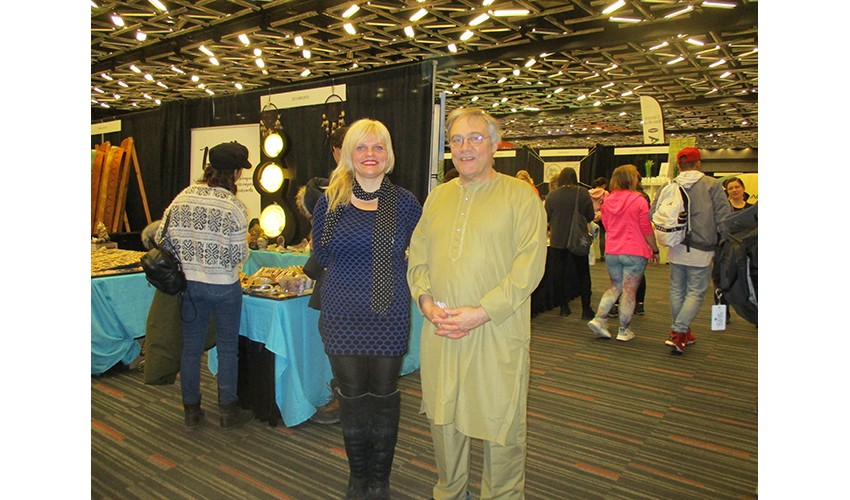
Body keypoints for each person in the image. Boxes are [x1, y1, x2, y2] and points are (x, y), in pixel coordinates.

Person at [407, 107, 547, 499]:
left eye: (475, 138)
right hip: (442, 329)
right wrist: (425, 299)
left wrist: (481, 313)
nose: (465, 147)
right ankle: (450, 492)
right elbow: (418, 255)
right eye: (457, 140)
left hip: (497, 330)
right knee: (443, 418)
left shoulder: (521, 197)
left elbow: (529, 267)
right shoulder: (438, 197)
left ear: (495, 144)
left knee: (501, 423)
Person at [311, 118, 422, 499]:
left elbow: (422, 252)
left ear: (388, 154)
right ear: (348, 154)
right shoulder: (331, 201)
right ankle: (358, 477)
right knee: (352, 396)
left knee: (384, 395)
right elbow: (321, 253)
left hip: (388, 313)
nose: (370, 154)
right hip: (342, 313)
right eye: (361, 147)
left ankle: (380, 479)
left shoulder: (404, 203)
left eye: (378, 147)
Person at [156, 141, 254, 430]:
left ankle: (191, 410)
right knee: (227, 349)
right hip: (225, 286)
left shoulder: (183, 196)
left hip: (190, 285)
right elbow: (238, 255)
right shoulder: (235, 206)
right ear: (236, 172)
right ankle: (228, 410)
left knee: (191, 348)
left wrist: (190, 254)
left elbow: (161, 237)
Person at [651, 147, 731, 354]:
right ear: (699, 163)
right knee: (695, 291)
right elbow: (724, 217)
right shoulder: (712, 185)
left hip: (675, 243)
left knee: (677, 290)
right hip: (702, 247)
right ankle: (678, 331)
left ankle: (683, 332)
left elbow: (653, 212)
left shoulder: (669, 186)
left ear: (679, 166)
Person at [296, 125, 348, 426]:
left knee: (341, 338)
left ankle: (347, 399)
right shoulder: (332, 188)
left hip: (346, 279)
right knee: (336, 337)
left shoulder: (349, 187)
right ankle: (347, 395)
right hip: (340, 278)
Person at [586, 164, 659, 341]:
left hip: (612, 251)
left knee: (614, 287)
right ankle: (624, 330)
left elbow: (607, 225)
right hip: (635, 251)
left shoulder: (607, 201)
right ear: (633, 179)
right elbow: (646, 229)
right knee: (629, 291)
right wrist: (655, 249)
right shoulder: (639, 200)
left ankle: (599, 318)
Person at [544, 167, 596, 319]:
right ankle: (586, 309)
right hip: (577, 239)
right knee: (583, 274)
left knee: (559, 274)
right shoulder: (582, 193)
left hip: (557, 240)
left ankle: (564, 307)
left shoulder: (552, 196)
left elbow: (546, 218)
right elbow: (590, 215)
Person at [588, 177, 609, 260]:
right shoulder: (605, 193)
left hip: (591, 215)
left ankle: (592, 255)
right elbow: (607, 205)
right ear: (604, 185)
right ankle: (602, 255)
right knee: (602, 236)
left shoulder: (589, 192)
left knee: (591, 235)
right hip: (602, 216)